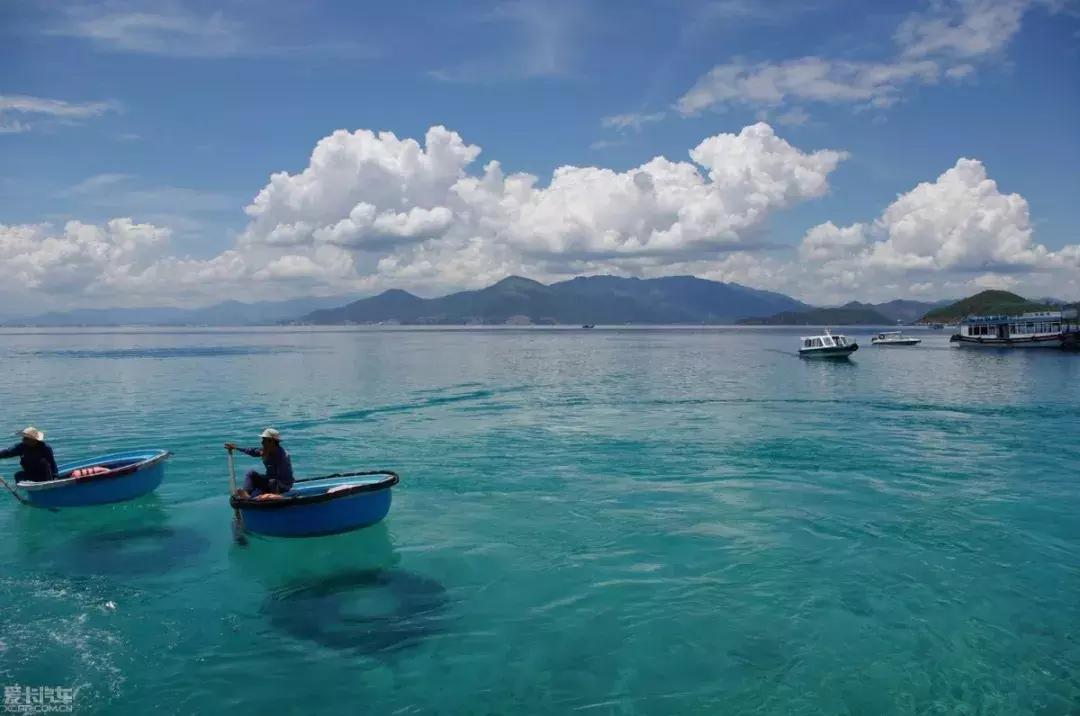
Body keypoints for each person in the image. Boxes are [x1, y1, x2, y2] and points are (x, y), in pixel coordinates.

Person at [225, 428, 294, 499]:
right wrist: (236, 448)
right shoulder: (267, 450)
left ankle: (271, 499)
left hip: (281, 484)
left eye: (264, 440)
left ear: (272, 441)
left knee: (272, 481)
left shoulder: (281, 455)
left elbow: (283, 477)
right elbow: (253, 451)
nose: (262, 442)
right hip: (270, 481)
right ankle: (247, 495)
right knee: (251, 474)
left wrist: (274, 493)